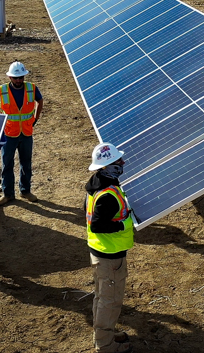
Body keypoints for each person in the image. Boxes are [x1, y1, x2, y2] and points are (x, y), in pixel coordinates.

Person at [85, 143, 134, 353]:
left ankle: (105, 333)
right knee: (109, 301)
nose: (122, 163)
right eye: (117, 162)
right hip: (109, 256)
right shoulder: (107, 196)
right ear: (106, 167)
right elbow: (97, 224)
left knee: (103, 297)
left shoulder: (99, 182)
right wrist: (123, 224)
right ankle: (105, 345)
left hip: (103, 254)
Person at [0, 61, 43, 204]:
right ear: (10, 78)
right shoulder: (2, 90)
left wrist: (36, 117)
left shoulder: (31, 88)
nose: (19, 80)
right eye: (16, 78)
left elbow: (40, 100)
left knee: (26, 163)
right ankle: (8, 194)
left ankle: (25, 191)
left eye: (21, 77)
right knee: (7, 164)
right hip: (9, 133)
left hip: (26, 132)